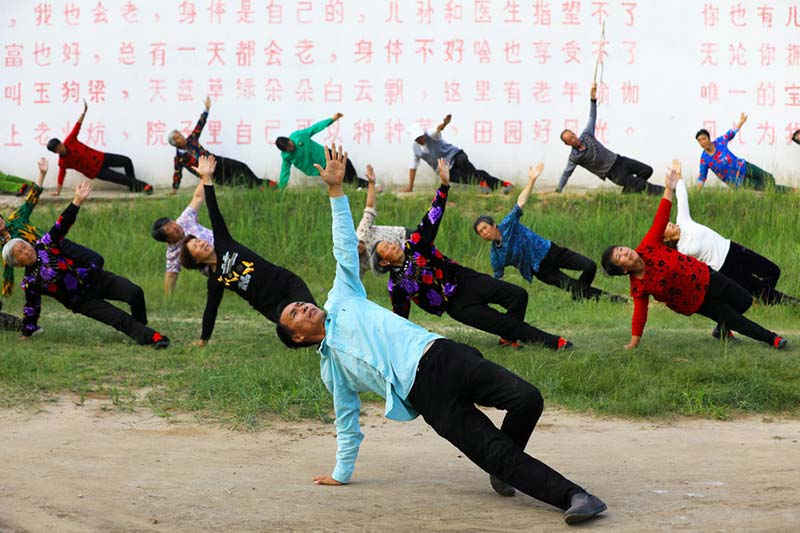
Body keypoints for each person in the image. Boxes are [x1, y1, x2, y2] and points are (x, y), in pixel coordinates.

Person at [275, 145, 607, 525]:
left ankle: (504, 467)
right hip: (426, 396)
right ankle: (573, 495)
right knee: (493, 449)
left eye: (300, 305)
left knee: (527, 399)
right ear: (298, 338)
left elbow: (343, 247)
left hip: (445, 355)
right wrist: (341, 472)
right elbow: (346, 419)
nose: (303, 308)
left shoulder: (343, 296)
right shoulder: (332, 369)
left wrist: (336, 191)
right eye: (295, 315)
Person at [373, 158, 571, 351]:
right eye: (386, 249)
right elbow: (400, 314)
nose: (392, 246)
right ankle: (554, 343)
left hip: (466, 278)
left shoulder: (414, 244)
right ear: (384, 262)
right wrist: (392, 340)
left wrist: (444, 186)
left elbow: (432, 218)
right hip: (455, 304)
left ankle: (508, 337)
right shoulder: (396, 284)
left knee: (517, 295)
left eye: (390, 244)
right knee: (504, 322)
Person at [600, 168, 788, 350]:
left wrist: (668, 187)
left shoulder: (648, 246)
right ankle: (772, 339)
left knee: (744, 300)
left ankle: (721, 330)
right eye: (620, 257)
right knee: (733, 318)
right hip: (695, 301)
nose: (626, 253)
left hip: (707, 276)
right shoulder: (638, 286)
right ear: (623, 270)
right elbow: (640, 315)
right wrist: (633, 343)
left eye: (622, 249)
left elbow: (661, 216)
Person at [2, 181, 169, 348]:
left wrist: (77, 201)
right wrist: (26, 332)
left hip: (96, 278)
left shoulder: (45, 244)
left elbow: (62, 225)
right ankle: (155, 338)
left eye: (24, 246)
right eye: (20, 253)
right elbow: (32, 307)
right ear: (17, 263)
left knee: (134, 292)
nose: (26, 251)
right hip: (82, 301)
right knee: (118, 318)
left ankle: (141, 326)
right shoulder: (30, 281)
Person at [178, 155, 315, 346]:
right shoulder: (216, 280)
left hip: (286, 283)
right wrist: (203, 339)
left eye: (199, 241)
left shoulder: (223, 242)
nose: (201, 243)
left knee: (314, 316)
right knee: (294, 336)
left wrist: (207, 179)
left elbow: (213, 210)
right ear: (196, 261)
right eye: (196, 247)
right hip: (271, 306)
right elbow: (211, 309)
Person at [474, 163, 623, 302]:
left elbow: (520, 202)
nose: (484, 232)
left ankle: (579, 295)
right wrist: (486, 293)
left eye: (485, 228)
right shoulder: (496, 255)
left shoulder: (507, 224)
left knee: (589, 266)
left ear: (493, 225)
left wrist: (532, 180)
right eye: (480, 232)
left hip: (551, 251)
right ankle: (613, 299)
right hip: (540, 270)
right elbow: (497, 277)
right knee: (573, 285)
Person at [663, 161, 798, 308]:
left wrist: (679, 178)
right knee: (760, 289)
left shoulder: (683, 221)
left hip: (732, 248)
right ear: (667, 238)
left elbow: (682, 198)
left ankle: (763, 299)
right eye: (665, 228)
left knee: (772, 271)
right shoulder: (682, 251)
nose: (668, 223)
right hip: (724, 268)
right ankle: (790, 304)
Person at [1, 158, 103, 297]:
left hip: (57, 243)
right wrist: (6, 290)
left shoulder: (16, 219)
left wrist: (42, 173)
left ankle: (96, 288)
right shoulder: (4, 246)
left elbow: (31, 199)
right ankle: (87, 295)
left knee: (95, 259)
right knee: (69, 282)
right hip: (45, 262)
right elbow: (8, 268)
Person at [557, 83, 663, 195]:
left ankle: (626, 194)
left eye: (572, 136)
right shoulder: (574, 157)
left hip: (620, 160)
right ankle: (670, 193)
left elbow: (592, 117)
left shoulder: (586, 135)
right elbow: (566, 173)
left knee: (647, 170)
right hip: (613, 173)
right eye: (570, 140)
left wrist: (593, 100)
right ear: (567, 144)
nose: (573, 139)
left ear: (574, 133)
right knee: (642, 185)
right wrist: (558, 190)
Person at [47, 100, 152, 196]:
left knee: (126, 161)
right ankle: (144, 186)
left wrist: (84, 112)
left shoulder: (70, 140)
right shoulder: (63, 162)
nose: (60, 148)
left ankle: (133, 186)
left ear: (61, 143)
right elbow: (61, 176)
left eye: (59, 145)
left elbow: (77, 126)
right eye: (57, 149)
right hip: (96, 171)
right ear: (55, 152)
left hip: (101, 157)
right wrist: (58, 191)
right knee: (121, 178)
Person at [169, 97, 271, 190]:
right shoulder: (179, 159)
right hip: (210, 173)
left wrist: (206, 110)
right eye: (178, 137)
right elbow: (177, 173)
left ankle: (266, 185)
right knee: (236, 182)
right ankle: (261, 187)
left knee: (242, 167)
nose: (181, 137)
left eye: (180, 134)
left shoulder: (191, 139)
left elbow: (200, 125)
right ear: (174, 143)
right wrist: (175, 188)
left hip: (215, 160)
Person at [403, 114, 512, 194]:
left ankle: (491, 184)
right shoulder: (416, 150)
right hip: (446, 169)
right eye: (418, 138)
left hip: (455, 155)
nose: (421, 138)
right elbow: (413, 167)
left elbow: (438, 129)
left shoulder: (430, 135)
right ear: (415, 139)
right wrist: (410, 187)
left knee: (467, 167)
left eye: (421, 136)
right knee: (468, 177)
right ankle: (502, 184)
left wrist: (445, 123)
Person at [695, 113, 792, 192]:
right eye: (699, 140)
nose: (702, 142)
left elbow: (731, 133)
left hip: (744, 166)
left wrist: (741, 122)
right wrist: (696, 192)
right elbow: (702, 177)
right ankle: (792, 191)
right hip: (738, 181)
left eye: (704, 138)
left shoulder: (719, 142)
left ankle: (788, 191)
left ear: (709, 138)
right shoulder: (704, 159)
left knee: (769, 178)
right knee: (766, 187)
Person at [151, 179, 214, 295]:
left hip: (225, 247)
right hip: (214, 269)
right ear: (168, 240)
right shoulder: (173, 253)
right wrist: (167, 299)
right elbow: (171, 275)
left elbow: (198, 197)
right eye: (170, 230)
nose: (175, 227)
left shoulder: (185, 219)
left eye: (171, 223)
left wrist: (206, 176)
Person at [276, 112, 367, 188]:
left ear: (289, 139)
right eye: (289, 149)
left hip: (325, 154)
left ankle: (362, 186)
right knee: (344, 177)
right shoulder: (286, 156)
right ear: (284, 151)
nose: (291, 148)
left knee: (346, 162)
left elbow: (315, 128)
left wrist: (332, 120)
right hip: (320, 167)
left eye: (291, 145)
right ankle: (367, 186)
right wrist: (281, 188)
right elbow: (285, 172)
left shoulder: (298, 136)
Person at [355, 164, 413, 276]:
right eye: (355, 251)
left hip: (404, 235)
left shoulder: (362, 231)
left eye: (355, 244)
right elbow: (356, 282)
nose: (358, 247)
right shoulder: (358, 264)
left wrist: (371, 183)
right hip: (397, 261)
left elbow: (370, 206)